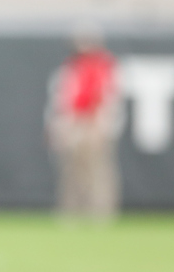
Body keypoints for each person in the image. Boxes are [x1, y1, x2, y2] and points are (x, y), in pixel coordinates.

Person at [45, 27, 120, 221]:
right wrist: (60, 125)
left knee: (96, 171)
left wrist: (96, 125)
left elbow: (102, 97)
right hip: (74, 124)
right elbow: (64, 100)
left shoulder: (101, 66)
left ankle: (100, 213)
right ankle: (71, 211)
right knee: (71, 171)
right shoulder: (72, 67)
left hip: (90, 124)